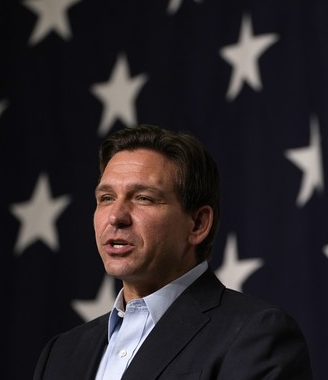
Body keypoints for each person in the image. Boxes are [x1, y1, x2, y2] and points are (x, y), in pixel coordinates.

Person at [33, 124, 313, 379]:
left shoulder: (255, 336)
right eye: (106, 198)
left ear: (198, 224)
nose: (116, 216)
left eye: (143, 198)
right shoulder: (61, 354)